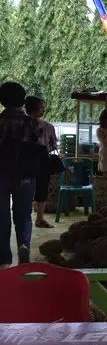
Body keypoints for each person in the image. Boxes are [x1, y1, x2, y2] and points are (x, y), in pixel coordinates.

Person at [0, 82, 42, 267]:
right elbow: (40, 147)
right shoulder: (32, 123)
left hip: (1, 175)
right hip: (25, 175)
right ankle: (24, 245)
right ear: (22, 100)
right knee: (24, 216)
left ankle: (4, 260)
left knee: (2, 217)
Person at [25, 95, 57, 229]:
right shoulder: (46, 126)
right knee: (41, 187)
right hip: (40, 157)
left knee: (31, 187)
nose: (43, 109)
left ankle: (32, 218)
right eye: (41, 106)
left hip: (28, 157)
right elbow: (53, 145)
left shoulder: (24, 123)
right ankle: (39, 218)